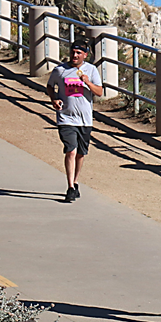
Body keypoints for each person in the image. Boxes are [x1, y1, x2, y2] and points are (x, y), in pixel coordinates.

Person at [46, 40, 103, 203]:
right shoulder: (60, 70)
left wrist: (87, 82)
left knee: (80, 153)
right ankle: (70, 187)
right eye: (73, 52)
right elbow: (50, 86)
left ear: (85, 55)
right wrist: (54, 99)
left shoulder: (91, 70)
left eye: (79, 53)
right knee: (70, 150)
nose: (75, 55)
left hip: (84, 119)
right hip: (66, 117)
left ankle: (76, 181)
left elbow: (99, 92)